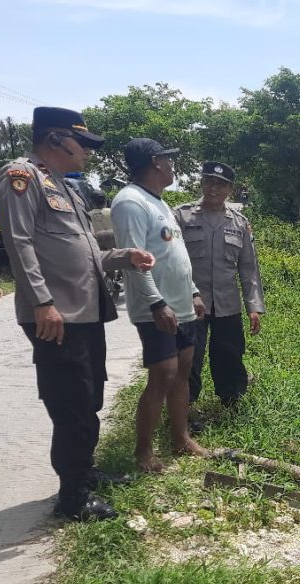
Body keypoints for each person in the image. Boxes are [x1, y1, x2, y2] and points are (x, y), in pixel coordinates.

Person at [0, 107, 155, 522]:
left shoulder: (65, 187)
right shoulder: (23, 177)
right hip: (57, 315)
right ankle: (73, 497)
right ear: (54, 140)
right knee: (70, 403)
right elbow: (19, 241)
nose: (87, 151)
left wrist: (124, 256)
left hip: (85, 312)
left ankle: (86, 471)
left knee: (89, 396)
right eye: (81, 142)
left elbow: (85, 251)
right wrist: (42, 302)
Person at [110, 138, 208, 472]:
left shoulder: (160, 203)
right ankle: (143, 452)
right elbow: (134, 257)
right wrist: (155, 302)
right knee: (162, 375)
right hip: (158, 308)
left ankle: (181, 439)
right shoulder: (130, 202)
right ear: (155, 162)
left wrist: (193, 292)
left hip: (181, 305)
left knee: (182, 370)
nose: (172, 165)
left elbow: (172, 254)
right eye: (168, 160)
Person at [174, 162, 264, 408]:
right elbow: (171, 261)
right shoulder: (181, 216)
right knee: (190, 356)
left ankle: (231, 400)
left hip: (227, 303)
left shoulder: (239, 222)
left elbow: (248, 267)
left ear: (230, 190)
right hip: (191, 303)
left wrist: (253, 306)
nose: (213, 188)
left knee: (229, 354)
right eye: (209, 182)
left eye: (221, 184)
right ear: (202, 183)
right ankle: (185, 407)